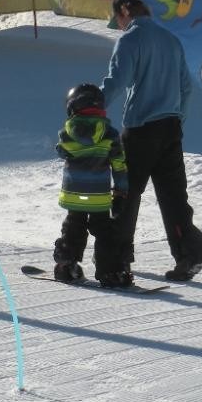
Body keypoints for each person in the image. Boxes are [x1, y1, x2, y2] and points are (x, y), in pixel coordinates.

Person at [101, 0, 202, 282]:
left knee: (126, 196)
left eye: (118, 20)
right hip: (171, 128)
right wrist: (178, 119)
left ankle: (118, 261)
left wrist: (92, 107)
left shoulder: (130, 40)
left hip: (140, 129)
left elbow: (118, 80)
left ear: (124, 13)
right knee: (173, 196)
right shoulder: (170, 39)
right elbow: (186, 88)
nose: (119, 27)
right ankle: (188, 254)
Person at [52, 83, 132, 288]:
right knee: (104, 230)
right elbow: (119, 164)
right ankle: (110, 272)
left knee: (74, 225)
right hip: (98, 195)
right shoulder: (110, 133)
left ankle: (66, 265)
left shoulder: (66, 133)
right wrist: (121, 191)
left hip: (73, 193)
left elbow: (61, 151)